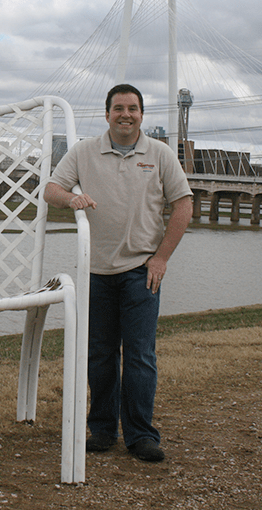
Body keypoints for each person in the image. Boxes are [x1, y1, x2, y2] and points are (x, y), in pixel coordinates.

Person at [44, 84, 193, 463]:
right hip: (95, 271)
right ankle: (103, 430)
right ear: (106, 113)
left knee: (140, 356)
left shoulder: (159, 154)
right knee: (100, 355)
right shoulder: (83, 152)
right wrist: (71, 198)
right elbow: (50, 189)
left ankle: (141, 436)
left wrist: (161, 258)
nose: (125, 115)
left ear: (142, 114)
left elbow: (183, 206)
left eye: (133, 109)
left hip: (142, 272)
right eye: (118, 108)